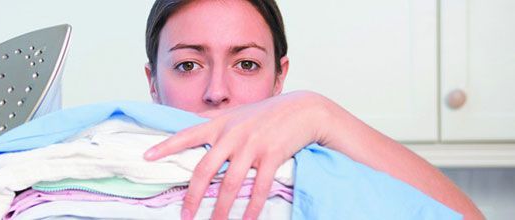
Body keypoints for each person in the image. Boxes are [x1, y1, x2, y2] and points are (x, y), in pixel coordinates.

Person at [140, 0, 484, 219]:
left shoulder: (326, 180)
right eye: (188, 65)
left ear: (279, 78)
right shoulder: (99, 169)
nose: (217, 92)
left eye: (246, 64)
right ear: (153, 82)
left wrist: (320, 114)